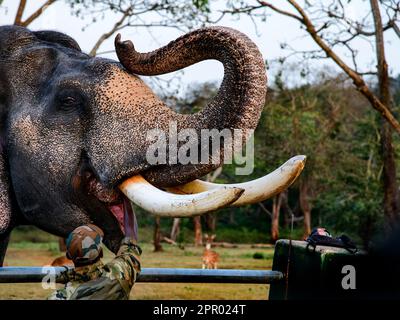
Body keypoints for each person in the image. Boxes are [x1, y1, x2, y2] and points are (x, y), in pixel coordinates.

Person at [48, 224, 141, 300]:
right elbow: (131, 248)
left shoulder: (58, 297)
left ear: (68, 255)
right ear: (101, 253)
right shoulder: (118, 275)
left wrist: (67, 275)